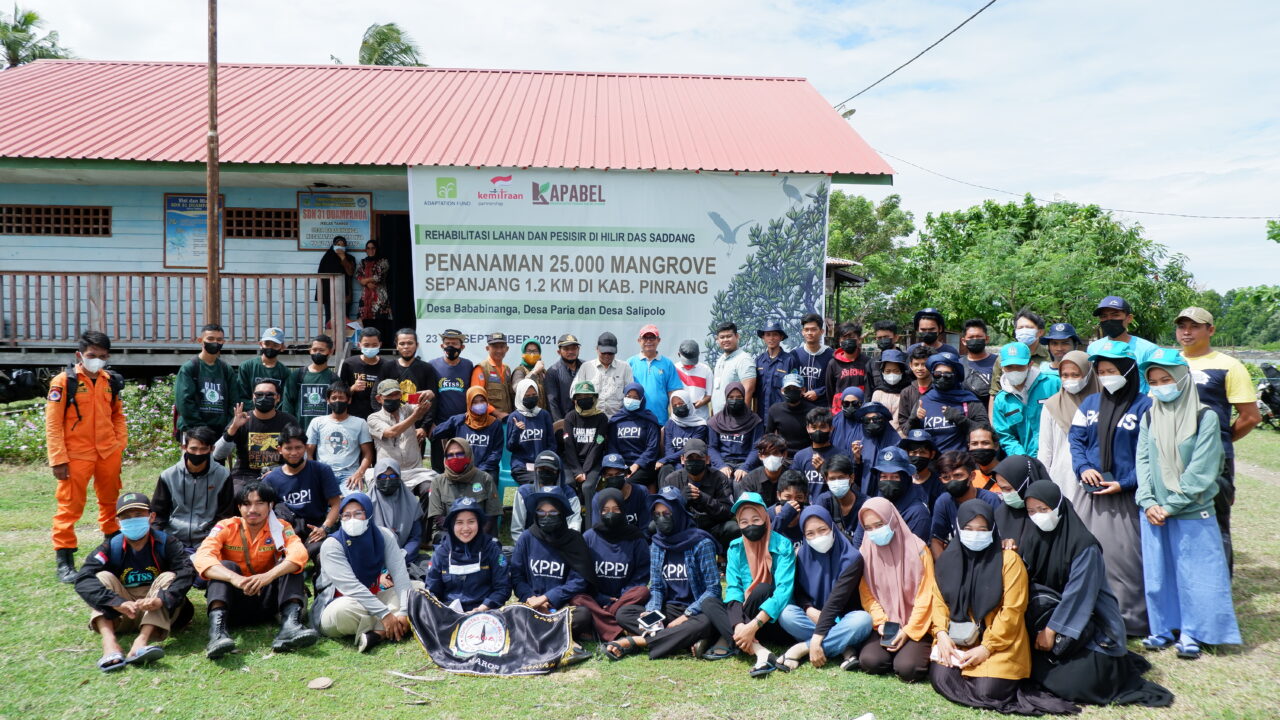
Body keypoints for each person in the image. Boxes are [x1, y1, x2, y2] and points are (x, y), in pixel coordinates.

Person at [1018, 481, 1174, 706]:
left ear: (1059, 506)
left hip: (1092, 626)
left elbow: (1078, 595)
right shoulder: (1033, 538)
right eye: (1031, 511)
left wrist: (1052, 630)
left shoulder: (1083, 546)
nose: (1038, 516)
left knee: (1076, 685)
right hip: (1051, 620)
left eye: (1043, 510)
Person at [927, 500, 1079, 715]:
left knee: (988, 691)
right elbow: (939, 601)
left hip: (1001, 642)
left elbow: (1012, 611)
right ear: (959, 529)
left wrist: (986, 648)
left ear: (993, 529)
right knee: (940, 679)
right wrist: (941, 634)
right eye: (968, 529)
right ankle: (974, 676)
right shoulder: (947, 560)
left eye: (982, 529)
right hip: (958, 640)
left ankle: (984, 680)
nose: (975, 534)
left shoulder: (1009, 561)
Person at [1136, 348, 1241, 658]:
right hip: (1154, 511)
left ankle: (1194, 633)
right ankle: (1162, 629)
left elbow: (1204, 468)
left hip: (1192, 510)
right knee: (1159, 575)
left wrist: (1172, 505)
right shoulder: (1150, 414)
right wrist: (1148, 500)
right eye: (1153, 381)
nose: (1159, 385)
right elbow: (1143, 461)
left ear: (1182, 379)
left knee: (1197, 576)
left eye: (1166, 379)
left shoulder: (1205, 415)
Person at [1068, 339, 1149, 636]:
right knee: (1088, 558)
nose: (1105, 376)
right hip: (1090, 494)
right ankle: (1091, 619)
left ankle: (1131, 623)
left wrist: (1125, 483)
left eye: (1112, 369)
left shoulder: (1145, 407)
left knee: (1125, 561)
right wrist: (1083, 467)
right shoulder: (1090, 404)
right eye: (1101, 371)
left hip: (1126, 497)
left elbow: (1150, 456)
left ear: (1128, 371)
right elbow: (1075, 440)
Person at [1174, 306, 1260, 573]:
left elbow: (1250, 416)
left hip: (1214, 460)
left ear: (1210, 330)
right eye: (1182, 326)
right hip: (1173, 456)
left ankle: (1220, 585)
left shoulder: (1229, 366)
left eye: (1194, 326)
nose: (1186, 332)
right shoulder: (1168, 362)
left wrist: (1219, 440)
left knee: (1215, 521)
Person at [194, 482, 319, 659]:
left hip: (269, 601)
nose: (252, 509)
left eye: (259, 503)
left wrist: (267, 576)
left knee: (290, 564)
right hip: (234, 602)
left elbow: (299, 553)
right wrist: (234, 578)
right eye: (246, 504)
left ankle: (290, 627)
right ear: (239, 507)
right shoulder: (225, 526)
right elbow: (202, 557)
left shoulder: (281, 527)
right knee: (225, 566)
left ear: (271, 505)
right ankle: (217, 635)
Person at [74, 492, 196, 672]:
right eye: (126, 517)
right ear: (118, 522)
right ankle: (109, 644)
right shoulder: (111, 546)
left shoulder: (167, 543)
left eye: (138, 515)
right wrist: (116, 602)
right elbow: (83, 578)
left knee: (169, 577)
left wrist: (161, 600)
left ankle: (141, 642)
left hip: (156, 610)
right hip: (123, 612)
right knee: (101, 578)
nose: (133, 520)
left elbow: (186, 571)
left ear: (151, 517)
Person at [46, 330, 127, 582]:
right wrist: (58, 458)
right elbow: (53, 424)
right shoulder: (63, 381)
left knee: (110, 503)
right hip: (75, 455)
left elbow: (118, 415)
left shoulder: (109, 381)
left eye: (102, 356)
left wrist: (118, 444)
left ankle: (111, 552)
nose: (97, 360)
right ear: (79, 354)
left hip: (107, 453)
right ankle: (65, 561)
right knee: (70, 506)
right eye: (92, 355)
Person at [608, 488, 719, 660]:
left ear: (679, 513)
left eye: (667, 513)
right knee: (625, 613)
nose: (661, 518)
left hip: (696, 609)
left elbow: (713, 590)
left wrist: (686, 616)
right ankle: (680, 639)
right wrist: (653, 612)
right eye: (657, 514)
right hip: (669, 609)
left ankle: (638, 641)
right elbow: (657, 587)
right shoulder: (657, 544)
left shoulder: (701, 543)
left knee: (706, 622)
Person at [700, 493, 797, 677]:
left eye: (755, 519)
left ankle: (730, 638)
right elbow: (734, 589)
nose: (750, 525)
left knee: (763, 589)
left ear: (765, 518)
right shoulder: (735, 547)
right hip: (745, 621)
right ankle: (760, 651)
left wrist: (753, 626)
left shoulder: (783, 545)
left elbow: (783, 592)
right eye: (743, 522)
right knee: (709, 602)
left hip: (773, 621)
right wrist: (739, 626)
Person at [313, 493, 414, 653]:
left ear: (369, 514)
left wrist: (403, 611)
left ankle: (377, 634)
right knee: (342, 610)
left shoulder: (383, 536)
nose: (352, 519)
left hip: (375, 597)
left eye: (358, 513)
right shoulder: (332, 545)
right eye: (346, 515)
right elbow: (351, 587)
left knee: (417, 589)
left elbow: (400, 574)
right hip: (339, 604)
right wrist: (385, 614)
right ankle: (395, 625)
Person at [854, 497, 935, 681]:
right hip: (886, 625)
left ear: (892, 520)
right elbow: (867, 596)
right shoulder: (865, 553)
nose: (875, 531)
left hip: (917, 625)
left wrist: (907, 632)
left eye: (879, 524)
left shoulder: (919, 549)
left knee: (908, 668)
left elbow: (926, 595)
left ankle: (908, 651)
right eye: (868, 528)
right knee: (870, 661)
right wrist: (882, 623)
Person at [509, 492, 596, 654]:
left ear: (562, 514)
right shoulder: (526, 538)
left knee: (583, 615)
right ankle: (560, 636)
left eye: (553, 512)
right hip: (531, 605)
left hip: (562, 606)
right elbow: (517, 575)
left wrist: (547, 598)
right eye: (541, 512)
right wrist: (531, 599)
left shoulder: (574, 540)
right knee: (512, 615)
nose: (546, 516)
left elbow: (578, 581)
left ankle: (539, 635)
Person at [575, 488, 651, 643]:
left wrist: (622, 596)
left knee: (642, 591)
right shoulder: (589, 537)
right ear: (599, 512)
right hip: (596, 597)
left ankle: (600, 624)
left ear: (623, 510)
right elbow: (583, 573)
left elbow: (642, 572)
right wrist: (600, 598)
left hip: (625, 598)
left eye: (616, 509)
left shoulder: (635, 537)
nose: (611, 514)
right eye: (606, 510)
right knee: (578, 598)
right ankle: (618, 630)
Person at [264, 424, 342, 560]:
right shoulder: (271, 479)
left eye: (298, 447)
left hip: (315, 529)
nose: (294, 453)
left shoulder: (321, 470)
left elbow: (336, 503)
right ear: (279, 450)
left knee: (323, 552)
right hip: (286, 531)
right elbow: (265, 511)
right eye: (288, 448)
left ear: (305, 448)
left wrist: (325, 528)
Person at [152, 426, 235, 550]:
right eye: (193, 448)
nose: (198, 453)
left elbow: (225, 514)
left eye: (203, 449)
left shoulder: (223, 475)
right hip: (172, 538)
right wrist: (156, 539)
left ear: (212, 449)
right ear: (184, 447)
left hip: (208, 540)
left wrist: (212, 538)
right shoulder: (168, 475)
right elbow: (158, 514)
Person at [425, 497, 510, 612]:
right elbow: (432, 590)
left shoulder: (492, 549)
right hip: (449, 614)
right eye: (459, 522)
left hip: (484, 613)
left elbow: (502, 588)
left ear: (479, 524)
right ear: (451, 525)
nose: (466, 528)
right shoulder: (441, 552)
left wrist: (482, 608)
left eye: (471, 522)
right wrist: (442, 611)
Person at [1037, 351, 1100, 505]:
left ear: (1088, 374)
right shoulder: (1052, 406)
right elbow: (1046, 450)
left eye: (1075, 374)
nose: (1069, 380)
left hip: (1096, 477)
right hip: (1062, 478)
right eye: (1065, 375)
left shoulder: (1104, 403)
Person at [213, 379, 297, 493]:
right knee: (237, 495)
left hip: (279, 473)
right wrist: (233, 429)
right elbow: (218, 454)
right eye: (259, 394)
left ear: (278, 398)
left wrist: (280, 471)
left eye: (269, 395)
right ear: (253, 397)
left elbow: (300, 455)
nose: (264, 397)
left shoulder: (288, 421)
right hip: (244, 475)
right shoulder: (242, 419)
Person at [660, 439, 737, 548]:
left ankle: (722, 559)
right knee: (655, 526)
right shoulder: (672, 479)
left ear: (707, 459)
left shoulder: (719, 478)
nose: (694, 461)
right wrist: (681, 500)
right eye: (690, 458)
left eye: (698, 458)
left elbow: (728, 512)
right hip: (683, 528)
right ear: (682, 460)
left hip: (712, 528)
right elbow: (664, 513)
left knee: (733, 528)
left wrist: (704, 498)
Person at [907, 352, 988, 455]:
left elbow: (986, 431)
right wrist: (914, 419)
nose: (942, 378)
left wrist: (960, 419)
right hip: (931, 465)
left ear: (956, 376)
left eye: (947, 375)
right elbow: (908, 433)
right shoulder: (923, 401)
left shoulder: (969, 401)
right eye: (937, 374)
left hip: (960, 463)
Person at [425, 437, 502, 543]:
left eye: (460, 454)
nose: (455, 458)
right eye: (450, 455)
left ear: (468, 455)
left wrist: (474, 536)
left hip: (480, 533)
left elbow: (492, 515)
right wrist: (461, 535)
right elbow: (438, 518)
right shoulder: (438, 482)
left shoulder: (485, 478)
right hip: (448, 533)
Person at [991, 342, 1061, 458]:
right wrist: (1024, 459)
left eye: (1019, 366)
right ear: (1002, 367)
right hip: (1027, 461)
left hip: (1058, 456)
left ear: (1030, 364)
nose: (1014, 371)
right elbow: (1005, 436)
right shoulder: (1001, 400)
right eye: (1009, 367)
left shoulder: (1054, 384)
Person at [305, 381, 373, 495]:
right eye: (334, 398)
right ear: (328, 401)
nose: (337, 401)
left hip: (350, 475)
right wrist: (315, 473)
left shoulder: (360, 423)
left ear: (349, 400)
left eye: (341, 398)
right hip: (323, 473)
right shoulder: (317, 422)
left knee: (355, 501)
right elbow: (308, 452)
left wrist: (359, 473)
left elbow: (368, 454)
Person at [929, 451, 1002, 558]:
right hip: (959, 559)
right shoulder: (944, 501)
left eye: (958, 475)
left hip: (990, 557)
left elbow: (1002, 537)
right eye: (946, 477)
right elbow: (936, 540)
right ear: (941, 480)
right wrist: (944, 568)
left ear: (972, 476)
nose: (952, 481)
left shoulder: (990, 499)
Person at [365, 379, 433, 491]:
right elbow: (391, 432)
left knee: (429, 489)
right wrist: (415, 417)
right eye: (389, 395)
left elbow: (428, 397)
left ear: (401, 395)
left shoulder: (407, 409)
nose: (393, 398)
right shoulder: (373, 418)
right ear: (379, 398)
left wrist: (429, 393)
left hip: (415, 472)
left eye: (396, 394)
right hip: (389, 473)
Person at [175, 323, 241, 435]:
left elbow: (234, 401)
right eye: (210, 338)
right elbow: (184, 402)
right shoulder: (190, 368)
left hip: (221, 431)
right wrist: (201, 429)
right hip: (193, 431)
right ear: (200, 340)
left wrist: (228, 425)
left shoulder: (226, 369)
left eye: (219, 339)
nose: (215, 342)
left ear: (223, 342)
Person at [1087, 295, 1159, 392]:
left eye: (1115, 315)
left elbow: (1155, 384)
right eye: (1104, 316)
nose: (1109, 320)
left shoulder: (1148, 349)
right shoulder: (1094, 348)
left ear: (1129, 318)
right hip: (1104, 403)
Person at [427, 328, 474, 473]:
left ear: (462, 347)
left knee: (461, 462)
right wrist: (430, 423)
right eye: (447, 343)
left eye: (454, 343)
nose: (450, 347)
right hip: (439, 424)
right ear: (442, 346)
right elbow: (430, 396)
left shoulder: (468, 365)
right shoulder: (432, 365)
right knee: (439, 466)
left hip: (462, 423)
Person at [510, 451, 583, 544]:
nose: (545, 471)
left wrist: (566, 546)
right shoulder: (523, 493)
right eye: (541, 468)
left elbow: (574, 525)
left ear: (558, 472)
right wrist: (526, 547)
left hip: (561, 543)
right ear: (535, 470)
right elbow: (517, 530)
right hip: (531, 544)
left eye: (550, 469)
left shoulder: (568, 493)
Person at [369, 458, 426, 575]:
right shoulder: (367, 504)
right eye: (383, 477)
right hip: (375, 557)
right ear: (375, 478)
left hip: (404, 557)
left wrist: (402, 555)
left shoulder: (411, 503)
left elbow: (415, 537)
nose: (388, 480)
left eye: (393, 477)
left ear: (399, 477)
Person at [431, 386, 504, 477]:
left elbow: (496, 453)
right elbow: (436, 433)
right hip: (461, 468)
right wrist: (453, 421)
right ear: (469, 403)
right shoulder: (460, 421)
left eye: (482, 401)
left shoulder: (494, 424)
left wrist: (482, 469)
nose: (479, 404)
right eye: (475, 402)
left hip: (487, 470)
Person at [560, 380, 610, 508]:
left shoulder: (602, 418)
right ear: (574, 400)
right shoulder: (570, 417)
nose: (584, 400)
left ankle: (589, 524)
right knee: (568, 483)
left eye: (587, 397)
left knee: (587, 487)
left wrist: (585, 471)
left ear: (594, 398)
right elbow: (569, 446)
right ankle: (569, 523)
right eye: (580, 397)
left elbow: (598, 445)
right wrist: (577, 471)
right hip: (572, 463)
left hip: (593, 464)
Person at [605, 382, 663, 489]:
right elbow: (612, 446)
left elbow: (652, 448)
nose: (631, 399)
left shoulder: (649, 420)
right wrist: (620, 465)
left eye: (635, 397)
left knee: (626, 483)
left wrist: (637, 465)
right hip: (620, 465)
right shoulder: (616, 420)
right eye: (628, 396)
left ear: (641, 399)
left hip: (644, 466)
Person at [869, 447, 932, 542]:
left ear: (905, 478)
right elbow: (860, 542)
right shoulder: (873, 505)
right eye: (884, 476)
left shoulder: (918, 513)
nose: (889, 481)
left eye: (895, 477)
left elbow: (914, 552)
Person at [839, 401, 901, 497]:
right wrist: (857, 460)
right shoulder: (859, 442)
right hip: (865, 496)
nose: (871, 422)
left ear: (883, 420)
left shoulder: (896, 442)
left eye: (875, 419)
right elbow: (856, 479)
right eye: (867, 420)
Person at [381, 329, 440, 429]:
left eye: (410, 343)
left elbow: (433, 400)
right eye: (402, 343)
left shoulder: (426, 368)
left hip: (417, 427)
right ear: (396, 346)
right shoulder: (387, 367)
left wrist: (424, 427)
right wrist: (383, 422)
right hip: (390, 425)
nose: (406, 347)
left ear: (417, 345)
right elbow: (376, 396)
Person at [988, 309, 1051, 403]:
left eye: (1029, 327)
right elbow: (994, 394)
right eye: (1020, 328)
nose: (1024, 331)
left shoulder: (1050, 357)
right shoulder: (1003, 358)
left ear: (1040, 332)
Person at [628, 324, 684, 426]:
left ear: (658, 340)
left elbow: (673, 394)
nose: (649, 341)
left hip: (660, 421)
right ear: (639, 340)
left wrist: (673, 422)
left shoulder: (667, 364)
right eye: (645, 337)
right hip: (635, 421)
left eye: (652, 337)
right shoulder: (630, 363)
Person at [708, 381, 764, 482]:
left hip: (745, 462)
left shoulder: (754, 420)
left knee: (741, 484)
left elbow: (756, 448)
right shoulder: (715, 421)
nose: (735, 400)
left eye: (739, 397)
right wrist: (721, 466)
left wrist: (745, 467)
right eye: (731, 397)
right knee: (723, 483)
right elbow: (712, 448)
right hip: (723, 462)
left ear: (744, 397)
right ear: (726, 398)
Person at [284, 334, 339, 433]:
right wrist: (290, 429)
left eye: (322, 350)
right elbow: (287, 406)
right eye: (314, 350)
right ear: (310, 350)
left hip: (325, 433)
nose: (317, 353)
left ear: (330, 352)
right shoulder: (297, 375)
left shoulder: (334, 378)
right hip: (300, 433)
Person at [506, 378, 556, 485]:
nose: (531, 398)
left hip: (543, 466)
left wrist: (546, 462)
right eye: (527, 396)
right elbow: (510, 447)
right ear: (520, 396)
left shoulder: (544, 415)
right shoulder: (514, 417)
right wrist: (517, 431)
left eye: (534, 395)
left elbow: (551, 444)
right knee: (537, 483)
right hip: (522, 467)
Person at [574, 332, 634, 419]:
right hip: (591, 419)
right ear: (597, 349)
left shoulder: (625, 367)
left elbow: (631, 394)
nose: (607, 356)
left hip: (617, 420)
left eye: (610, 353)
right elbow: (574, 392)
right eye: (603, 352)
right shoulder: (586, 367)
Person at [656, 388, 710, 481]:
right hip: (673, 461)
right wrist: (670, 462)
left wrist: (666, 460)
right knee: (665, 469)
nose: (678, 407)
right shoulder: (670, 423)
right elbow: (669, 448)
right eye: (674, 405)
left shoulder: (700, 425)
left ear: (688, 403)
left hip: (692, 461)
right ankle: (665, 494)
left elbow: (692, 448)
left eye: (681, 404)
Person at [811, 454, 867, 539]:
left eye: (841, 478)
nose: (837, 482)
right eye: (832, 479)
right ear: (826, 480)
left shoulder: (865, 503)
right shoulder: (824, 501)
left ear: (851, 478)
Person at [790, 407, 843, 499]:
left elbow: (844, 489)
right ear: (807, 429)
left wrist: (824, 470)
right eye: (814, 427)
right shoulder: (800, 456)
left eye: (822, 427)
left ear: (831, 428)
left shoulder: (841, 456)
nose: (818, 431)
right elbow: (795, 486)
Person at [340, 326, 391, 419]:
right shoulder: (349, 364)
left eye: (374, 345)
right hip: (354, 416)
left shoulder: (387, 366)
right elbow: (339, 392)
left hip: (380, 417)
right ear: (359, 345)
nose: (370, 348)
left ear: (380, 344)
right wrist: (353, 388)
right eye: (366, 345)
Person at [823, 321, 870, 413]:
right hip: (839, 411)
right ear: (839, 340)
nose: (848, 340)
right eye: (844, 337)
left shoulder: (867, 362)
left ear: (859, 339)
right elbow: (830, 389)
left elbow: (869, 388)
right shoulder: (833, 363)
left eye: (852, 337)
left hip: (861, 410)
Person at [754, 321, 798, 419]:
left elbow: (794, 390)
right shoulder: (758, 361)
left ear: (781, 337)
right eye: (768, 335)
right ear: (763, 337)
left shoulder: (789, 360)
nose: (771, 338)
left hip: (783, 415)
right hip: (761, 415)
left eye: (775, 335)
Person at [711, 322, 757, 414]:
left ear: (737, 336)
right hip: (719, 420)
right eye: (722, 337)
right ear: (717, 340)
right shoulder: (721, 359)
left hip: (734, 422)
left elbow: (748, 390)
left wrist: (743, 419)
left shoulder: (744, 360)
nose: (725, 340)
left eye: (729, 336)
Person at [598, 454, 652, 529]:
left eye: (618, 474)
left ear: (626, 473)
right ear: (604, 476)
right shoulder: (600, 497)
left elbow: (646, 526)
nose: (614, 478)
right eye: (609, 475)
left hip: (637, 538)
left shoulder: (641, 492)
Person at [238, 327, 292, 400]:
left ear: (282, 347)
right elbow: (241, 395)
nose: (270, 348)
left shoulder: (285, 372)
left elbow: (284, 399)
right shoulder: (246, 367)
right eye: (267, 344)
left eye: (275, 345)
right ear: (260, 344)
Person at [735, 433, 789, 506]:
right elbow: (745, 507)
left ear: (784, 455)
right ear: (760, 456)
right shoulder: (750, 480)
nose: (771, 458)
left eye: (775, 453)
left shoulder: (791, 478)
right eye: (767, 454)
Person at [765, 373, 815, 452]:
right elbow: (769, 436)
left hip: (805, 454)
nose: (792, 391)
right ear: (782, 391)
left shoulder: (812, 411)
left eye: (795, 388)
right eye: (788, 388)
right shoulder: (774, 410)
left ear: (803, 390)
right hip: (782, 454)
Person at [793, 313, 833, 409]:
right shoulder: (795, 355)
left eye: (814, 329)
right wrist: (799, 391)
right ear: (802, 332)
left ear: (822, 331)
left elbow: (835, 382)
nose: (809, 333)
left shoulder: (831, 355)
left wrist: (818, 392)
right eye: (806, 329)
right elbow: (790, 379)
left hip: (823, 407)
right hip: (799, 406)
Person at [471, 332, 514, 419]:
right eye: (495, 347)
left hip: (507, 419)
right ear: (487, 348)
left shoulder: (507, 369)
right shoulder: (481, 369)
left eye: (502, 347)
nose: (499, 350)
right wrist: (497, 413)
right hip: (488, 421)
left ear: (507, 349)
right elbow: (475, 398)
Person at [316, 235, 355, 327]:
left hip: (345, 295)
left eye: (342, 244)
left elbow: (350, 272)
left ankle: (344, 340)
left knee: (344, 320)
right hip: (328, 295)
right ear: (333, 245)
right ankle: (330, 340)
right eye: (338, 244)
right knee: (330, 320)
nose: (340, 246)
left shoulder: (350, 258)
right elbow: (321, 277)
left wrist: (342, 257)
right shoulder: (326, 258)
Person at [544, 333, 584, 424]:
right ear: (559, 352)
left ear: (578, 349)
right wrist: (561, 426)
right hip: (565, 423)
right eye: (566, 349)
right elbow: (552, 403)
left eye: (574, 348)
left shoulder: (585, 367)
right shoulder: (552, 371)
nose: (570, 352)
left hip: (585, 423)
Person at [900, 429, 944, 509]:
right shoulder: (900, 481)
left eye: (922, 452)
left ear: (932, 455)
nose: (918, 456)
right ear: (906, 453)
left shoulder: (939, 484)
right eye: (913, 452)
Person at [356, 239, 391, 338]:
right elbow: (358, 276)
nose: (371, 250)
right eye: (368, 248)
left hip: (379, 296)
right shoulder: (363, 262)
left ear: (377, 249)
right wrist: (367, 284)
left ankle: (381, 343)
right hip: (365, 297)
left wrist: (365, 281)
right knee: (366, 321)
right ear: (365, 250)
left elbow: (378, 277)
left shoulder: (383, 261)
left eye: (373, 248)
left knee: (379, 321)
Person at [870, 348, 911, 433]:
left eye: (896, 371)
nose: (892, 374)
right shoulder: (878, 393)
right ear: (882, 372)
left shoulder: (908, 391)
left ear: (902, 372)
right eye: (887, 371)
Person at [674, 339, 714, 422]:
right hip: (679, 419)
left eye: (692, 360)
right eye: (686, 361)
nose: (689, 364)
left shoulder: (706, 370)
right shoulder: (673, 369)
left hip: (701, 419)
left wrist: (701, 402)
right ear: (679, 354)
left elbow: (709, 395)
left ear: (698, 354)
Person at [959, 319, 996, 399]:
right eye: (971, 337)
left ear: (986, 339)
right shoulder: (958, 364)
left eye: (979, 337)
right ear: (964, 341)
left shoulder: (998, 362)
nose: (975, 340)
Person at [509, 339, 547, 410]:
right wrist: (534, 371)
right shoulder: (519, 371)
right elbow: (518, 389)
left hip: (542, 415)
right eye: (529, 351)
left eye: (535, 351)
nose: (532, 354)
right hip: (524, 415)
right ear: (523, 353)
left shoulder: (543, 372)